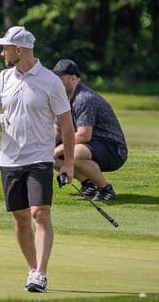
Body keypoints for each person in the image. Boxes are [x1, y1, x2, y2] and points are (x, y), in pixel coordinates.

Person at [0, 26, 75, 293]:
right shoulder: (4, 78)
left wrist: (68, 163)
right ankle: (32, 269)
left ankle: (40, 274)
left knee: (39, 213)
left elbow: (66, 125)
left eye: (5, 48)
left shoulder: (50, 81)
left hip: (39, 158)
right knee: (20, 218)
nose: (1, 53)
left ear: (18, 50)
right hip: (9, 159)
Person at [52, 59, 128, 201]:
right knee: (48, 154)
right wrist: (47, 148)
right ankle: (88, 184)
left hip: (113, 149)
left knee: (72, 153)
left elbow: (84, 135)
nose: (55, 83)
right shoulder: (62, 99)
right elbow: (57, 130)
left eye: (59, 79)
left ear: (73, 79)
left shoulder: (84, 99)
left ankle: (105, 189)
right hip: (91, 146)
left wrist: (57, 150)